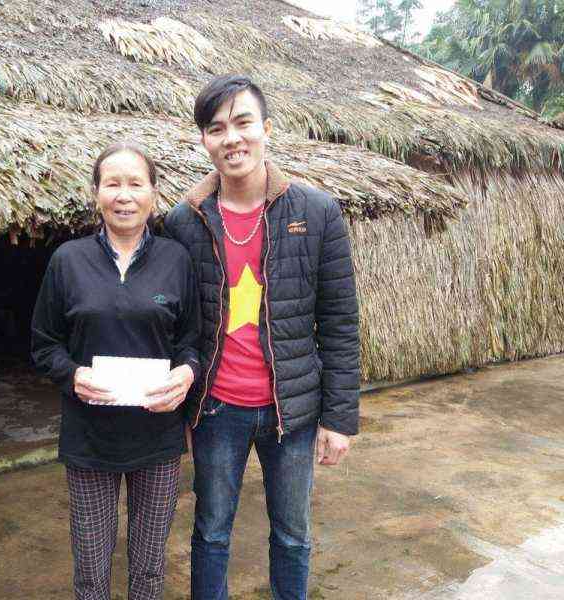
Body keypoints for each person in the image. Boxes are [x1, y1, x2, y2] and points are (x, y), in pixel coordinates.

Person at [163, 74, 361, 600]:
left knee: (292, 537)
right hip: (215, 410)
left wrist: (339, 419)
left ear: (266, 129)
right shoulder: (184, 221)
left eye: (243, 123)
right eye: (216, 128)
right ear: (204, 140)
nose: (232, 138)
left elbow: (340, 322)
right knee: (210, 533)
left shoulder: (316, 213)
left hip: (290, 411)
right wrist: (180, 410)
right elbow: (177, 325)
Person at [30, 141, 201, 600]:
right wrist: (72, 375)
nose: (124, 195)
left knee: (149, 567)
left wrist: (187, 373)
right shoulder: (68, 260)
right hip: (89, 438)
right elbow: (44, 345)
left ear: (154, 194)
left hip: (158, 437)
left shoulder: (176, 259)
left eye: (135, 184)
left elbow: (192, 341)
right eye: (113, 184)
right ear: (96, 194)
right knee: (90, 567)